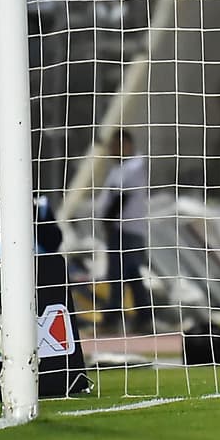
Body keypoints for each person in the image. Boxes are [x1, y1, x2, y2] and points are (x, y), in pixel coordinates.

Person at [94, 128, 154, 330]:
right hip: (121, 229)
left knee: (118, 274)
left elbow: (121, 197)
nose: (112, 150)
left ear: (126, 145)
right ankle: (142, 316)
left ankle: (113, 318)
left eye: (115, 145)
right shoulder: (118, 168)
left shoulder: (134, 166)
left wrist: (108, 221)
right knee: (129, 273)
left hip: (126, 229)